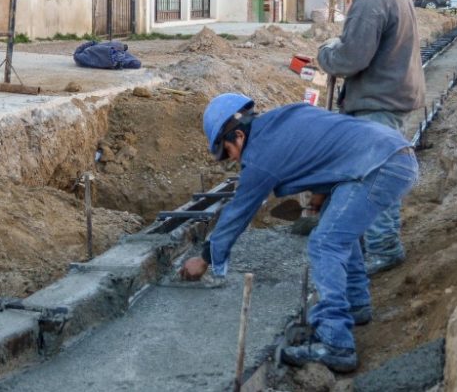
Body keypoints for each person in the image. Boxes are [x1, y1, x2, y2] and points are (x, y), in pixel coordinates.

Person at [179, 93, 419, 373]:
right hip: (389, 154)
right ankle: (355, 305)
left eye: (228, 153)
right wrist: (320, 194)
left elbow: (238, 213)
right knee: (338, 231)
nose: (233, 161)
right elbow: (326, 146)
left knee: (325, 243)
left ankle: (335, 343)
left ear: (239, 136)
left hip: (380, 166)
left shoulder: (259, 157)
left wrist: (206, 258)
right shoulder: (286, 116)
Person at [316, 0, 424, 276]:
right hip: (391, 97)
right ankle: (374, 242)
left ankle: (383, 248)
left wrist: (326, 54)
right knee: (378, 173)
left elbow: (351, 58)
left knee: (376, 178)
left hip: (378, 103)